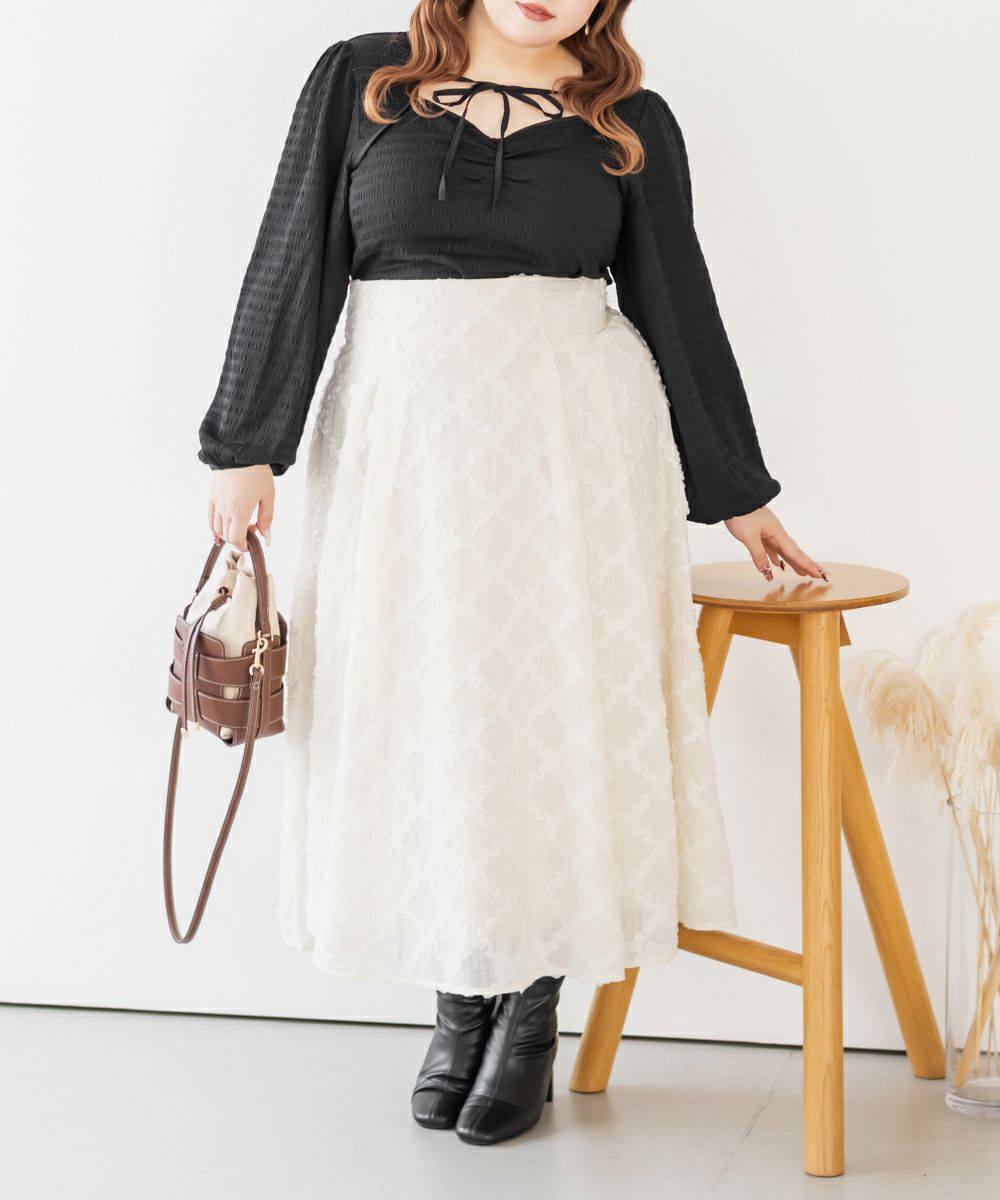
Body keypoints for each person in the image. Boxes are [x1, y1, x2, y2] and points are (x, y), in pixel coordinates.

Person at [197, 0, 827, 1146]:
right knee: (425, 712)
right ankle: (459, 992)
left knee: (547, 716)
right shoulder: (364, 80)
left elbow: (674, 300)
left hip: (572, 455)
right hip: (399, 453)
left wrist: (738, 490)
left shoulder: (627, 119)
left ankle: (529, 1006)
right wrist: (246, 443)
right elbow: (294, 254)